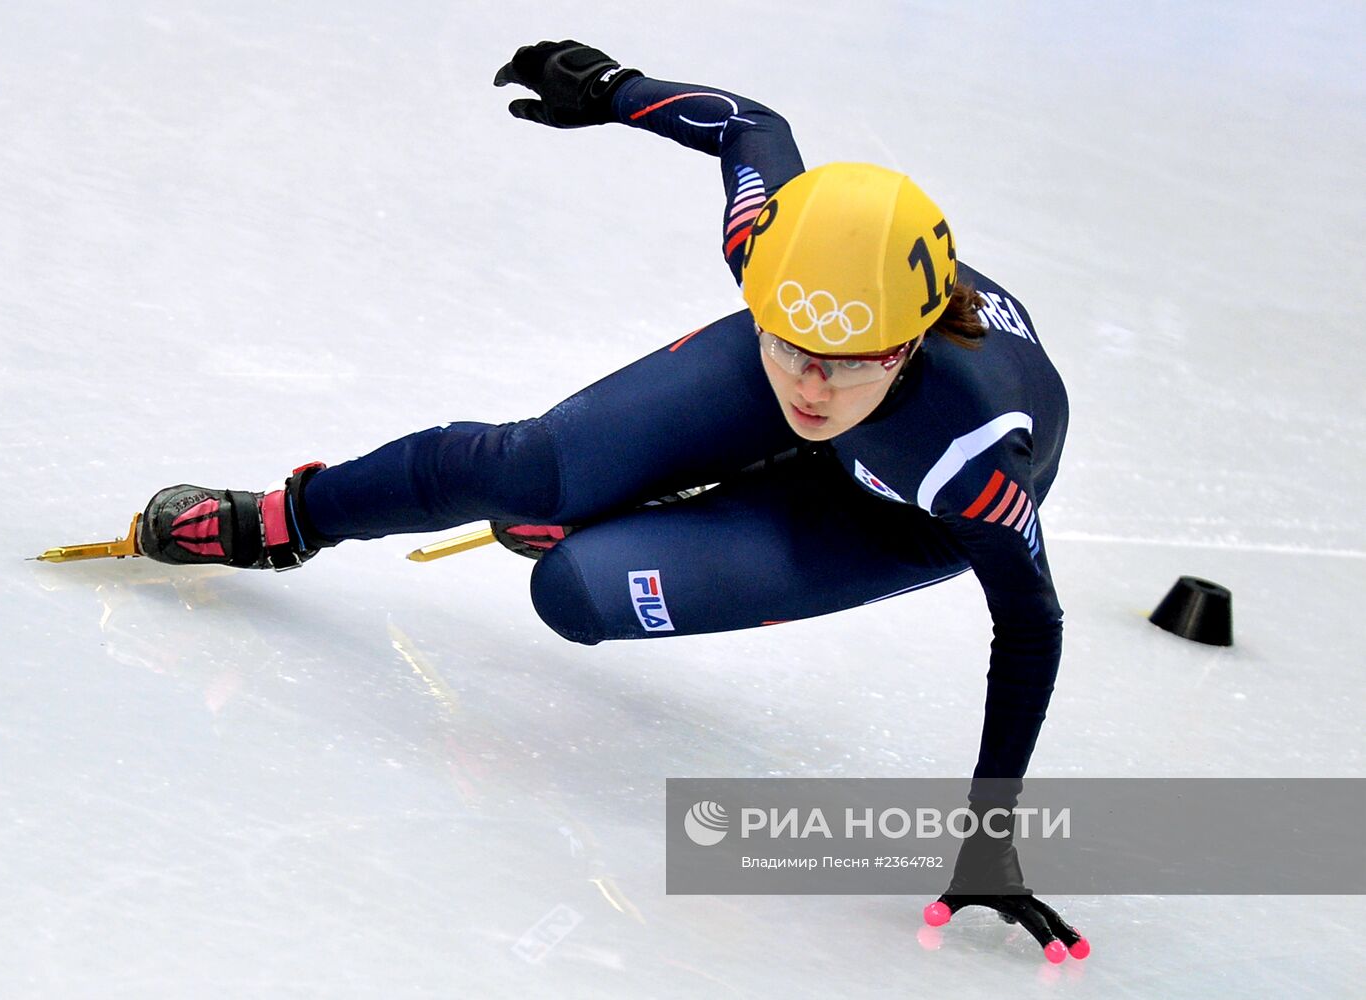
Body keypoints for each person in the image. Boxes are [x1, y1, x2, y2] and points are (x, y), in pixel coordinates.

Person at [137, 41, 1086, 963]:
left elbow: (1031, 627)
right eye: (788, 343)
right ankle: (283, 523)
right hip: (855, 392)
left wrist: (989, 831)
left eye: (842, 367)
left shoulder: (969, 464)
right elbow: (751, 126)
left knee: (578, 592)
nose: (810, 387)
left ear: (907, 343)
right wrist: (613, 88)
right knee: (524, 467)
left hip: (894, 514)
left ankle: (633, 510)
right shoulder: (787, 275)